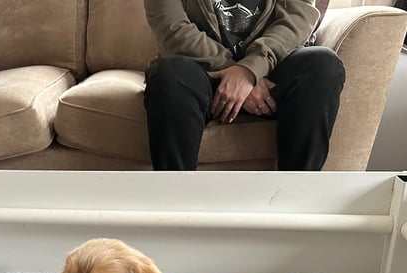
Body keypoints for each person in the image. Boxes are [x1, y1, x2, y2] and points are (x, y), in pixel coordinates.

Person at [143, 0, 345, 171]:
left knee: (323, 64)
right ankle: (175, 206)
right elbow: (171, 27)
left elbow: (298, 18)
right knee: (170, 73)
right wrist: (236, 73)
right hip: (201, 69)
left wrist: (251, 70)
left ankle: (297, 201)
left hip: (272, 69)